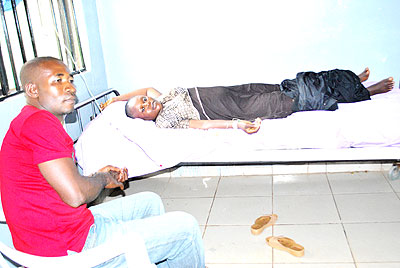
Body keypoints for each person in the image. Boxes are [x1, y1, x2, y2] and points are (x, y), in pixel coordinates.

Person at [0, 56, 205, 267]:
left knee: (149, 201)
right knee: (186, 229)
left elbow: (54, 184)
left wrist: (94, 177)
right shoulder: (40, 124)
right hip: (68, 247)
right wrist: (101, 178)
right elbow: (76, 195)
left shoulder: (28, 121)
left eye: (70, 80)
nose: (70, 88)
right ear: (33, 90)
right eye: (58, 81)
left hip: (56, 231)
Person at [101, 67, 394, 134]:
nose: (146, 104)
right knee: (296, 99)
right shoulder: (165, 122)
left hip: (236, 89)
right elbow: (201, 125)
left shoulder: (160, 98)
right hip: (233, 107)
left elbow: (147, 87)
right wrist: (236, 124)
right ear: (142, 119)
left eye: (142, 101)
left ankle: (352, 81)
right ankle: (367, 92)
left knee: (291, 85)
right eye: (141, 109)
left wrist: (115, 102)